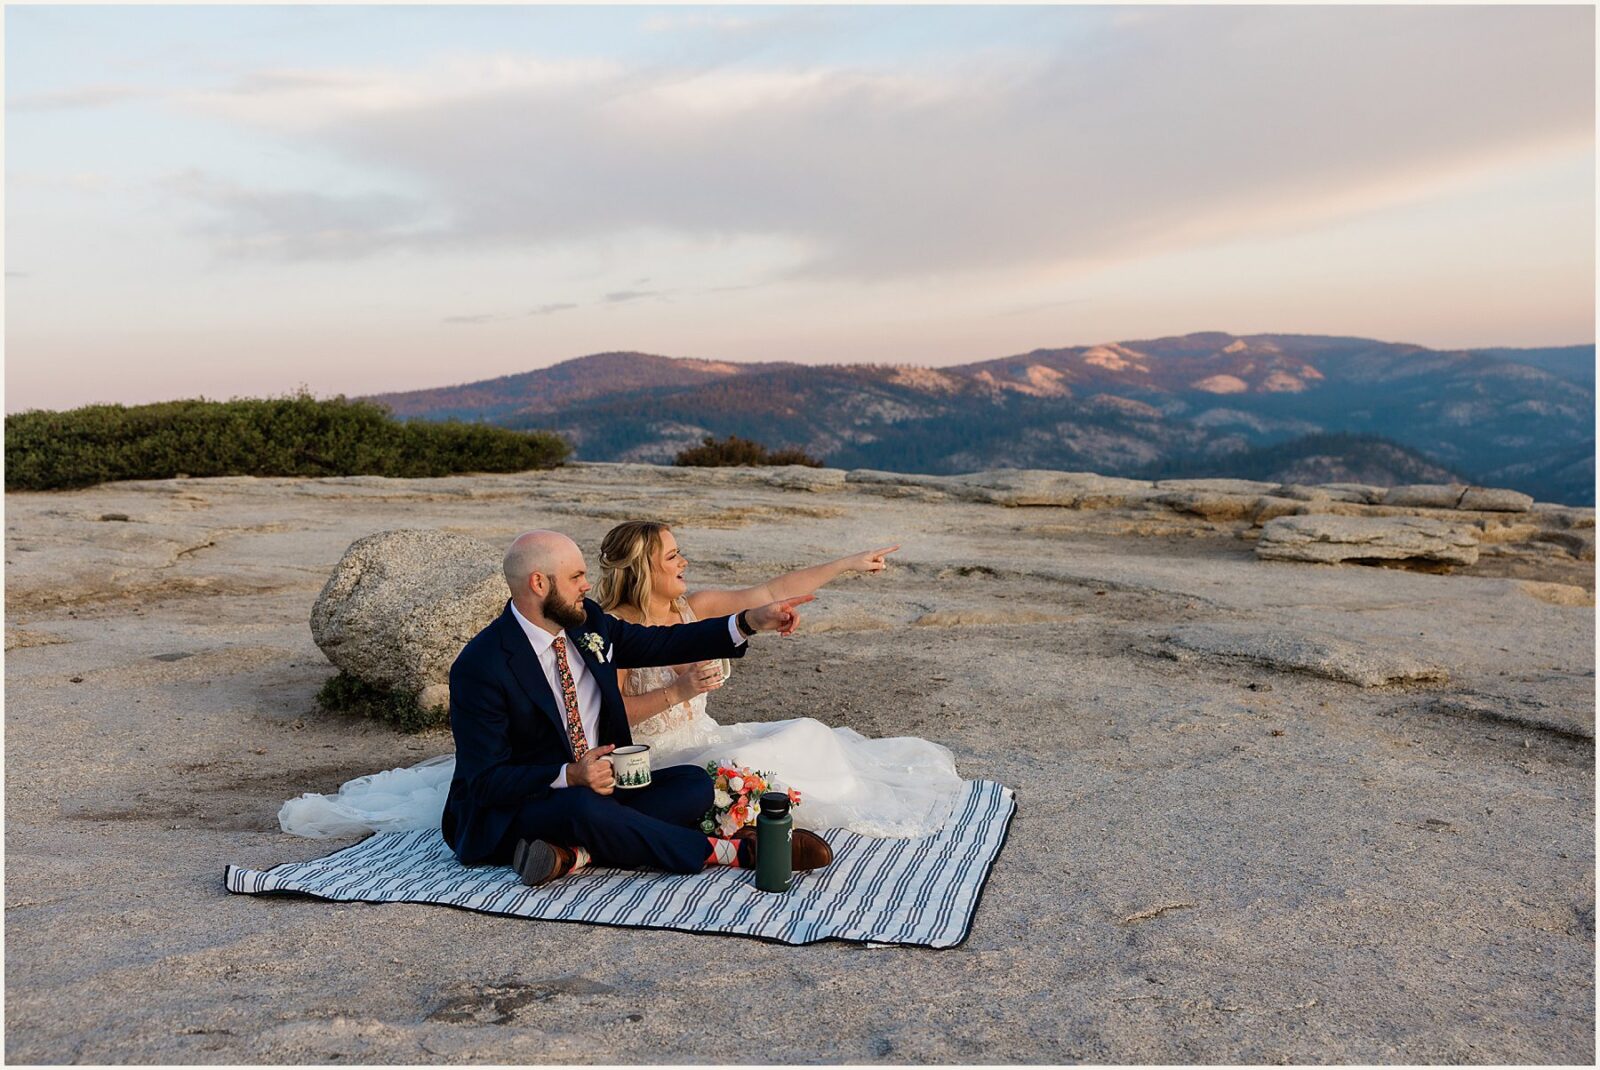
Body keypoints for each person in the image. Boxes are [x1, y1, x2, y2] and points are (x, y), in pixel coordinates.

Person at [284, 530, 834, 887]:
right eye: (575, 578)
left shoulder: (587, 622)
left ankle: (572, 857)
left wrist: (750, 622)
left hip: (603, 788)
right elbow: (484, 781)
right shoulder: (482, 666)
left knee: (691, 783)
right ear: (538, 583)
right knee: (583, 811)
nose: (587, 585)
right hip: (523, 806)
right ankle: (732, 854)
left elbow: (661, 642)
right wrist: (569, 774)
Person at [597, 520, 963, 838]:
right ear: (643, 569)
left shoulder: (695, 608)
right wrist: (678, 691)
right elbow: (608, 716)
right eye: (672, 556)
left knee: (809, 732)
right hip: (657, 761)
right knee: (744, 761)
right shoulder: (612, 629)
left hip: (707, 736)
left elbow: (771, 593)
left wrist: (847, 564)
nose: (684, 562)